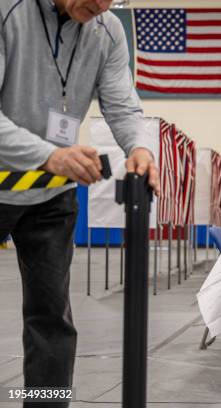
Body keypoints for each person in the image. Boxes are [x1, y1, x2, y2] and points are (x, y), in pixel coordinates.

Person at [0, 0, 160, 405]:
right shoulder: (8, 12)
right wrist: (47, 154)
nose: (101, 3)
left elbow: (122, 105)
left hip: (53, 193)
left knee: (51, 318)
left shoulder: (107, 30)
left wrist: (139, 149)